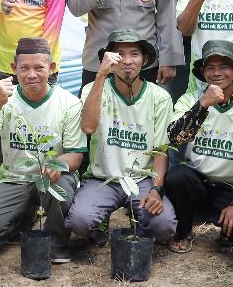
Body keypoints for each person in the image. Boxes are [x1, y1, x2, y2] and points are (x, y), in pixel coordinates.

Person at [0, 38, 86, 263]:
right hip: (15, 179)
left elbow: (76, 155)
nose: (31, 75)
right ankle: (23, 219)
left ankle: (56, 243)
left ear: (52, 68)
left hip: (51, 179)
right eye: (24, 68)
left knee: (59, 188)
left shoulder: (69, 103)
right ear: (13, 69)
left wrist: (58, 163)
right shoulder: (2, 98)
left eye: (39, 68)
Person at [67, 30, 177, 247]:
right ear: (109, 58)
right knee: (79, 222)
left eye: (134, 54)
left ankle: (140, 220)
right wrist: (100, 75)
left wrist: (156, 189)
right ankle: (101, 220)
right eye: (119, 54)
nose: (127, 61)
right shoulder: (93, 89)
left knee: (164, 226)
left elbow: (160, 150)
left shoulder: (160, 97)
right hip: (102, 178)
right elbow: (88, 127)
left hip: (142, 179)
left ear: (144, 60)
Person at [163, 40, 233, 253]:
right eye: (210, 67)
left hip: (232, 188)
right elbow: (175, 139)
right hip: (198, 183)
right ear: (202, 72)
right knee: (177, 175)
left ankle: (229, 223)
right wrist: (202, 105)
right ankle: (185, 229)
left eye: (224, 67)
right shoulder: (190, 99)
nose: (217, 73)